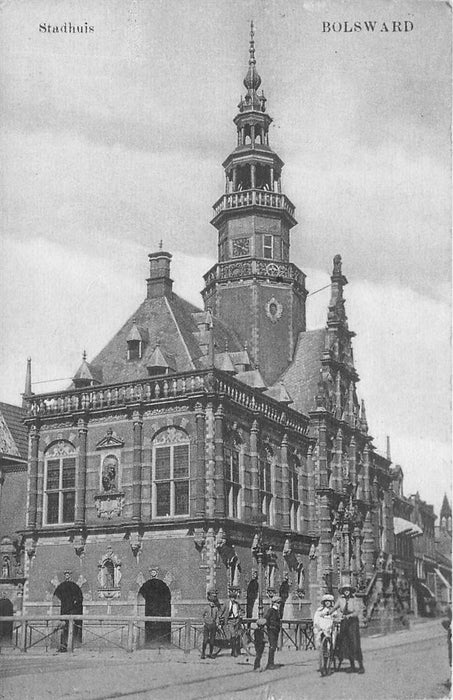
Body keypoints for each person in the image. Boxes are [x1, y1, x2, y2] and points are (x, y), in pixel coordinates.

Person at [333, 583, 365, 673]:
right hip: (344, 622)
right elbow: (334, 607)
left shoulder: (354, 600)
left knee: (354, 643)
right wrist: (328, 612)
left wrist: (350, 615)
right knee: (345, 643)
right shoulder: (340, 600)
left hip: (353, 623)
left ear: (350, 591)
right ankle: (352, 666)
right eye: (345, 590)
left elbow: (357, 611)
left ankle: (361, 666)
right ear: (343, 591)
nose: (346, 591)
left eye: (348, 590)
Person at [313, 593, 335, 675]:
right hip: (321, 630)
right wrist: (317, 626)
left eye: (329, 602)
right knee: (323, 646)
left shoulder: (333, 611)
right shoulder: (319, 610)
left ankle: (328, 662)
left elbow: (335, 619)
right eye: (326, 602)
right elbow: (316, 620)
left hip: (329, 630)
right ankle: (324, 665)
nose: (327, 603)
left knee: (330, 646)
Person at [201, 586, 221, 659]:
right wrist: (203, 622)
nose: (212, 603)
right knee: (205, 640)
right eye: (211, 602)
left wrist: (217, 623)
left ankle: (211, 653)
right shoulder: (206, 608)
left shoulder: (216, 609)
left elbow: (217, 617)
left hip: (213, 625)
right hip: (207, 625)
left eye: (213, 602)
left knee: (212, 641)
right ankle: (203, 653)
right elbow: (202, 615)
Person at [264, 595, 282, 669]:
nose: (279, 605)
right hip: (272, 630)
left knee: (273, 647)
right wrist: (269, 626)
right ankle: (270, 664)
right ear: (275, 603)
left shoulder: (277, 611)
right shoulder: (271, 610)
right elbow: (266, 618)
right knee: (272, 646)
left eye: (279, 603)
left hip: (275, 631)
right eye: (278, 603)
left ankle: (271, 663)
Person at [224, 590, 242, 657]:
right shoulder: (226, 603)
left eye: (234, 598)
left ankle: (233, 651)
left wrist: (240, 614)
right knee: (233, 635)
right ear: (230, 598)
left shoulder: (237, 604)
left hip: (236, 620)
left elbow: (240, 610)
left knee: (236, 636)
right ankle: (234, 652)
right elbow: (222, 610)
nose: (233, 599)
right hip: (230, 621)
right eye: (231, 598)